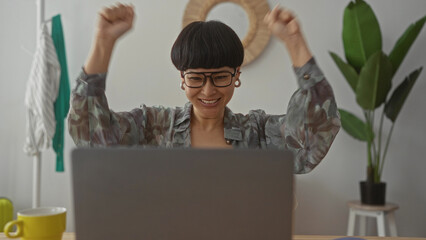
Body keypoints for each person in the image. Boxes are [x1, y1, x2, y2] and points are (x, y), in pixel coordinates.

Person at [68, 3, 340, 174]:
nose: (208, 91)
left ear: (236, 76)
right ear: (182, 78)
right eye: (197, 78)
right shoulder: (153, 125)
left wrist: (295, 42)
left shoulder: (258, 134)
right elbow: (93, 139)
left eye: (220, 77)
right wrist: (102, 44)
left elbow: (312, 138)